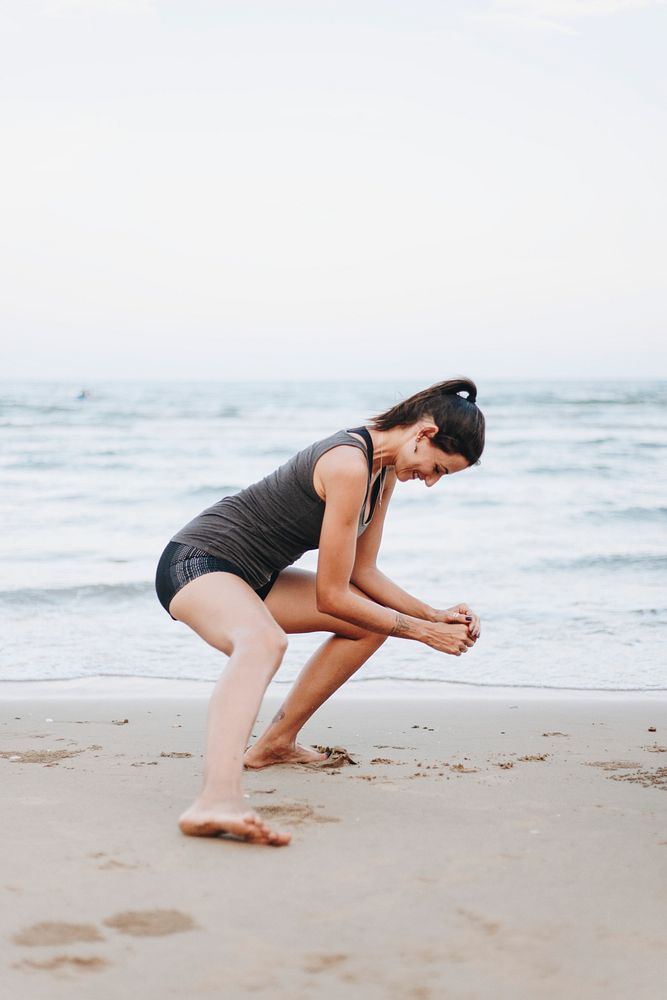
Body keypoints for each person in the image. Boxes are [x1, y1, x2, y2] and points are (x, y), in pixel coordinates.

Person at [155, 377, 485, 846]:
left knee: (366, 624)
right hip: (197, 562)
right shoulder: (348, 463)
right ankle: (216, 799)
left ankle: (274, 745)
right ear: (423, 434)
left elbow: (363, 574)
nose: (430, 481)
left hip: (255, 576)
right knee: (263, 643)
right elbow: (333, 595)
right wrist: (422, 633)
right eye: (438, 469)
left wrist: (435, 616)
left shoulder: (381, 473)